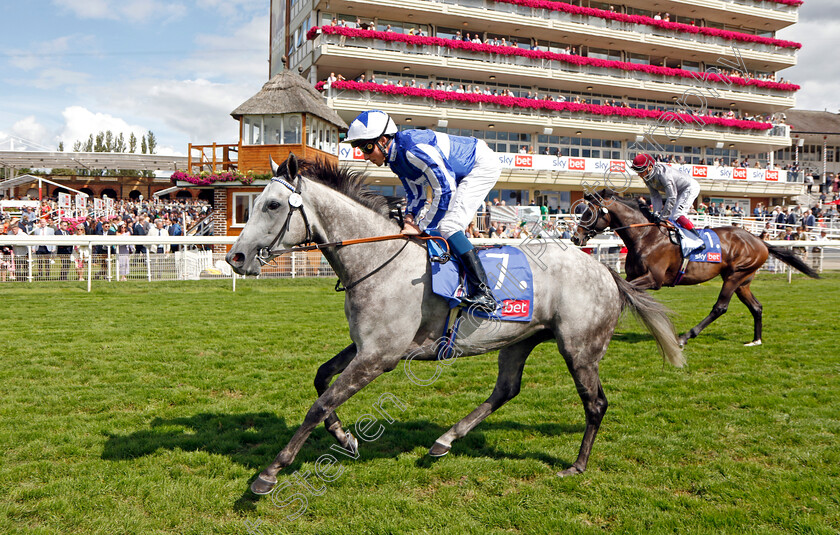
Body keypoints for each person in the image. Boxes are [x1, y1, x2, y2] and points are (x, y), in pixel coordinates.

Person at [345, 109, 501, 312]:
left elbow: (445, 189)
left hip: (479, 165)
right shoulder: (396, 160)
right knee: (439, 225)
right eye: (360, 149)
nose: (365, 156)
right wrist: (410, 217)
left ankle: (485, 293)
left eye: (367, 148)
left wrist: (421, 226)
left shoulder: (413, 150)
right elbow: (416, 195)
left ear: (383, 140)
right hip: (459, 171)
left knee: (449, 225)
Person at [630, 153, 701, 233]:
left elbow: (672, 197)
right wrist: (656, 213)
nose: (639, 174)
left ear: (650, 167)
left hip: (689, 187)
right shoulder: (646, 176)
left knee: (677, 214)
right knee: (671, 217)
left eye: (640, 171)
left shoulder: (664, 175)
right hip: (677, 191)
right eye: (637, 171)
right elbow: (655, 196)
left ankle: (697, 237)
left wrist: (662, 218)